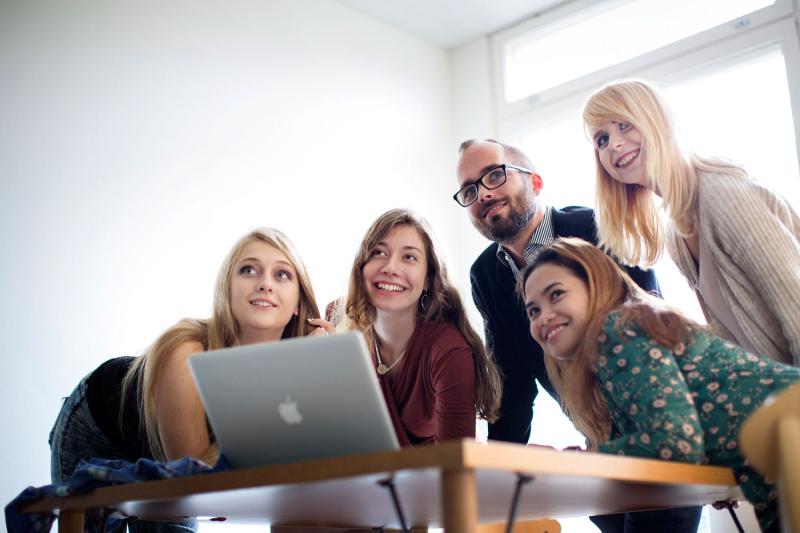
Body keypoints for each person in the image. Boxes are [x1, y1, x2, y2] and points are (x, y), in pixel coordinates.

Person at [455, 139, 704, 533]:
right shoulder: (485, 275)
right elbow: (514, 382)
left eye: (494, 175)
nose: (483, 193)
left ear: (535, 181)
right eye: (469, 190)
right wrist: (500, 472)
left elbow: (656, 329)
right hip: (598, 448)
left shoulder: (598, 228)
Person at [48, 228, 321, 532]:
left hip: (171, 458)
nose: (265, 283)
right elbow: (196, 486)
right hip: (100, 429)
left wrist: (317, 370)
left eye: (282, 275)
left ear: (298, 301)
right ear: (227, 289)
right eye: (249, 270)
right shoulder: (187, 348)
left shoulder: (294, 375)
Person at [521, 237, 800, 533]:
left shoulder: (616, 333)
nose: (544, 317)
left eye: (557, 294)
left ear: (595, 285)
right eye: (533, 311)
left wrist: (575, 462)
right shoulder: (624, 338)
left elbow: (673, 444)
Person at [583, 78, 800, 366]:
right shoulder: (676, 230)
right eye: (602, 139)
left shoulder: (721, 195)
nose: (615, 144)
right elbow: (730, 333)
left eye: (624, 125)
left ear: (655, 120)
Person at [329, 208, 502, 445]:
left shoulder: (447, 348)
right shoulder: (336, 324)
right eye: (378, 252)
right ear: (362, 266)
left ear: (429, 279)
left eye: (409, 257)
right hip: (364, 477)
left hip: (434, 478)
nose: (390, 268)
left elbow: (454, 466)